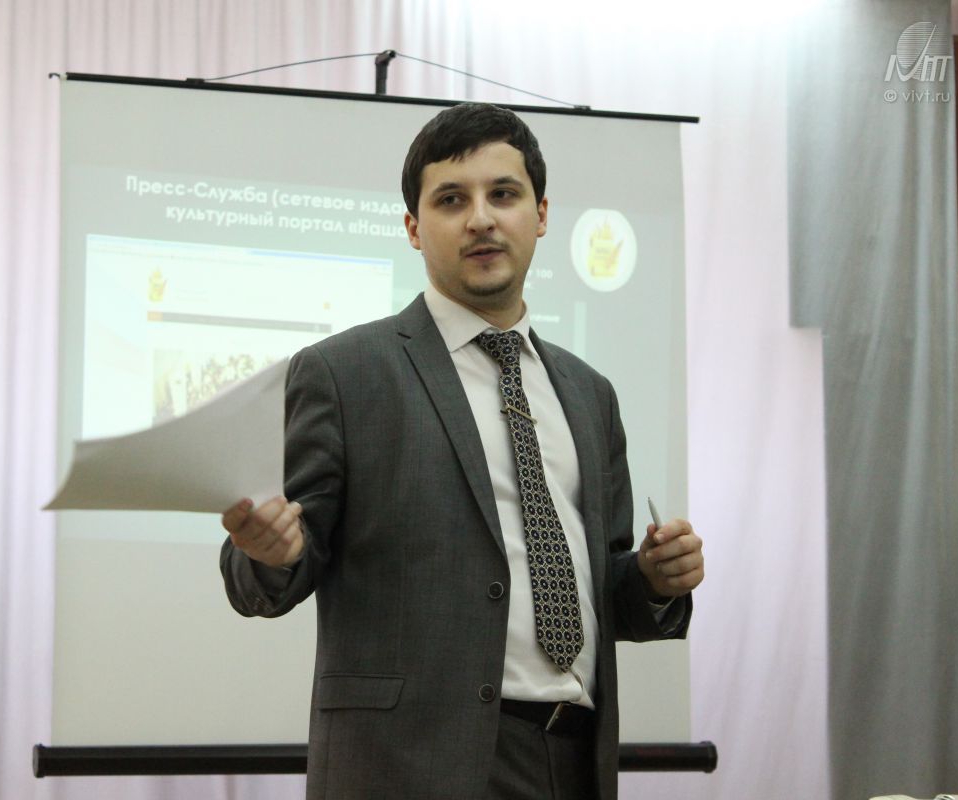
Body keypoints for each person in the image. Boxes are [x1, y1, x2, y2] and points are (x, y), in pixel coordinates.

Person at [220, 102, 704, 800]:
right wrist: (270, 553)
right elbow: (276, 560)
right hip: (407, 766)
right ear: (414, 228)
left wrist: (655, 580)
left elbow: (606, 590)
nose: (480, 218)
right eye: (451, 200)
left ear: (541, 214)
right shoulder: (344, 373)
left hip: (573, 759)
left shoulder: (588, 393)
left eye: (503, 194)